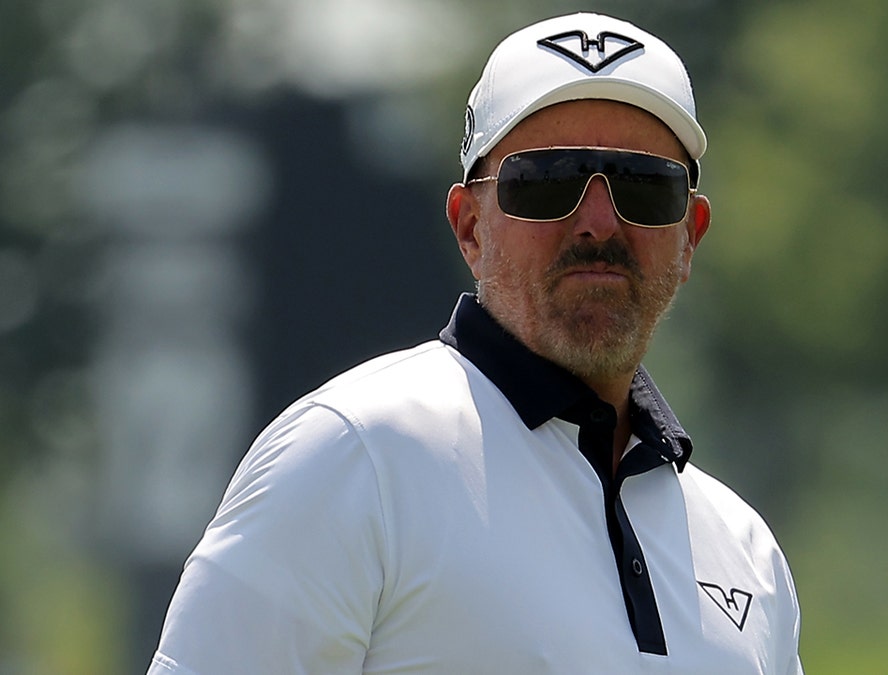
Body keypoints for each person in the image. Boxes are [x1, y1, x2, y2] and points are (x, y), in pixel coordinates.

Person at [148, 11, 803, 675]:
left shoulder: (745, 549)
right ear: (469, 226)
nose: (598, 222)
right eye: (547, 181)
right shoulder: (354, 453)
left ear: (690, 233)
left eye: (644, 185)